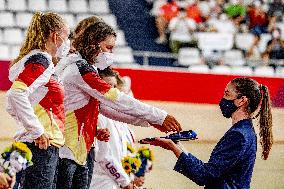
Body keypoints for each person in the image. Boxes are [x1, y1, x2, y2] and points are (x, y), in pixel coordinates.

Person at [56, 21, 181, 189]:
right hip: (69, 150)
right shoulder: (80, 69)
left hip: (78, 149)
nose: (111, 54)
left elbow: (106, 108)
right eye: (108, 48)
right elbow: (116, 99)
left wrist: (149, 121)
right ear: (94, 43)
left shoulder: (84, 67)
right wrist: (159, 116)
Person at [142, 77, 273, 188]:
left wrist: (173, 147)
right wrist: (178, 146)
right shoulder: (245, 131)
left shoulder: (238, 135)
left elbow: (204, 176)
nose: (223, 99)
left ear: (242, 101)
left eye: (227, 94)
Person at [5, 11, 70, 189]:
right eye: (67, 36)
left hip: (31, 143)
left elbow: (11, 104)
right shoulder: (42, 60)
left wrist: (29, 126)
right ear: (56, 36)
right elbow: (15, 95)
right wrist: (38, 130)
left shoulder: (33, 60)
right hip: (41, 146)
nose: (68, 42)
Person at [90, 68, 141, 189]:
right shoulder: (98, 115)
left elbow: (122, 154)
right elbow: (103, 156)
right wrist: (125, 181)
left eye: (114, 86)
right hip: (100, 181)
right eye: (108, 85)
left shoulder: (115, 119)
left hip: (115, 181)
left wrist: (131, 176)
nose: (112, 90)